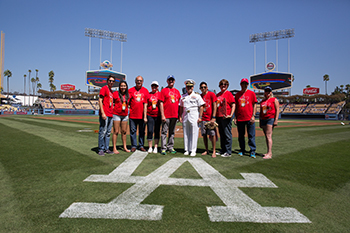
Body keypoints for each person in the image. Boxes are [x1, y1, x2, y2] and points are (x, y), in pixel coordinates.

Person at [179, 79, 205, 156]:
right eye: (187, 87)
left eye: (190, 86)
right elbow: (180, 107)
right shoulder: (183, 96)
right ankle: (186, 149)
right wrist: (180, 116)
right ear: (185, 87)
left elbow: (201, 106)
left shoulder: (197, 95)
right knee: (186, 133)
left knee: (194, 132)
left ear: (193, 87)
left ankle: (193, 150)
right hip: (185, 114)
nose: (189, 88)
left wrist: (200, 116)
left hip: (194, 114)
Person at [234, 78, 258, 158]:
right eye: (242, 84)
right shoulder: (237, 95)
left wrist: (253, 115)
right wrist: (235, 117)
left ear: (247, 85)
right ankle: (242, 149)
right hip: (240, 118)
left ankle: (252, 151)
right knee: (241, 136)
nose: (244, 85)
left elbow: (255, 104)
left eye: (245, 84)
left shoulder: (251, 93)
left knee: (251, 135)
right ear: (240, 84)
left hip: (249, 118)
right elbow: (236, 107)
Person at [159, 75, 181, 155]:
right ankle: (163, 148)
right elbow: (161, 103)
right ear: (167, 81)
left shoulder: (177, 92)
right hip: (166, 115)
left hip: (174, 115)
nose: (171, 81)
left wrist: (179, 115)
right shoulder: (164, 90)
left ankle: (170, 147)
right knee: (164, 132)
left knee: (172, 132)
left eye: (172, 80)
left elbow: (179, 104)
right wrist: (162, 115)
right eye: (169, 80)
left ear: (174, 81)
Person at [128, 75, 149, 152]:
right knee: (133, 131)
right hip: (133, 115)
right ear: (135, 81)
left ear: (142, 82)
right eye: (137, 80)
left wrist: (145, 116)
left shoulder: (145, 91)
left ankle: (141, 145)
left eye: (140, 81)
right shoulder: (130, 90)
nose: (139, 82)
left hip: (142, 115)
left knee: (142, 131)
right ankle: (133, 145)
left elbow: (146, 103)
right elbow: (128, 101)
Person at [216, 79, 235, 157]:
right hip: (219, 116)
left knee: (227, 134)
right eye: (221, 84)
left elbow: (233, 104)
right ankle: (223, 149)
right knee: (221, 134)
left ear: (227, 85)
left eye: (225, 84)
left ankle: (228, 151)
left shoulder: (229, 94)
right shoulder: (218, 95)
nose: (223, 86)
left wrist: (231, 114)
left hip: (226, 116)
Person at [259, 86, 279, 159]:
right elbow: (261, 112)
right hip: (263, 118)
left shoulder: (274, 100)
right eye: (266, 91)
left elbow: (277, 110)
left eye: (269, 91)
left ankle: (270, 153)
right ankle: (268, 152)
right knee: (266, 136)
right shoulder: (262, 101)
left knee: (268, 135)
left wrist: (276, 119)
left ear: (271, 92)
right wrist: (260, 121)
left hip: (270, 118)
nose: (267, 93)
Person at [98, 75, 115, 156]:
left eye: (113, 81)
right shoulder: (104, 88)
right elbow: (100, 100)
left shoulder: (111, 91)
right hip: (105, 113)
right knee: (103, 131)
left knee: (108, 132)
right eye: (110, 81)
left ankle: (106, 148)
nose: (111, 82)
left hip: (110, 114)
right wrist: (102, 112)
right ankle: (101, 149)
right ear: (107, 81)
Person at [199, 81, 217, 157]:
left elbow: (215, 105)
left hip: (210, 119)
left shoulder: (211, 94)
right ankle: (206, 150)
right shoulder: (200, 96)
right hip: (203, 118)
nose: (203, 88)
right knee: (204, 135)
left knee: (212, 134)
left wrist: (213, 117)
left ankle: (213, 151)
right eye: (202, 87)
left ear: (207, 88)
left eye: (205, 87)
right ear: (200, 88)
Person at [112, 80, 130, 154]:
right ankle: (114, 147)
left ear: (126, 87)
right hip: (116, 114)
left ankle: (124, 147)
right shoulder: (115, 94)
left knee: (124, 131)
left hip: (125, 115)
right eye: (121, 86)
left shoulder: (128, 95)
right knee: (116, 131)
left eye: (124, 86)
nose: (123, 87)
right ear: (119, 87)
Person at [144, 81, 161, 153]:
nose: (154, 87)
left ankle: (156, 147)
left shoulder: (160, 94)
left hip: (158, 115)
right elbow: (145, 106)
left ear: (158, 87)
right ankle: (150, 147)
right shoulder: (148, 95)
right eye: (153, 86)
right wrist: (145, 116)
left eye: (156, 86)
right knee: (150, 131)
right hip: (149, 115)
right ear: (151, 86)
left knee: (157, 131)